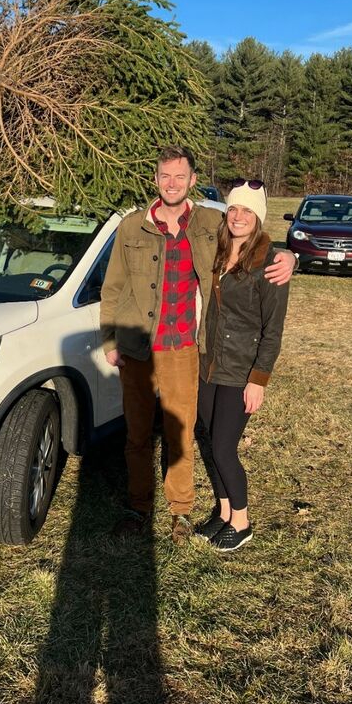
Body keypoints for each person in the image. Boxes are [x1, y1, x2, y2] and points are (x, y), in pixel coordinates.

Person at [100, 149, 295, 543]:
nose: (171, 183)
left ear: (192, 181)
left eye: (179, 176)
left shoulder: (210, 222)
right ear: (155, 180)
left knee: (181, 432)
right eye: (164, 176)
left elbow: (255, 235)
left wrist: (293, 256)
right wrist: (109, 339)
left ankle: (180, 511)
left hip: (185, 346)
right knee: (137, 434)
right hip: (137, 346)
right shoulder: (131, 227)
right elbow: (113, 286)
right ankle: (138, 507)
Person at [195, 181, 290, 553]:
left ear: (259, 217)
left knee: (223, 448)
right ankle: (223, 513)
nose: (238, 217)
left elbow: (273, 330)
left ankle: (243, 521)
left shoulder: (270, 264)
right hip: (209, 364)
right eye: (233, 209)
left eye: (247, 211)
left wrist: (259, 380)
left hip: (241, 370)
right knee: (209, 439)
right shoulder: (216, 251)